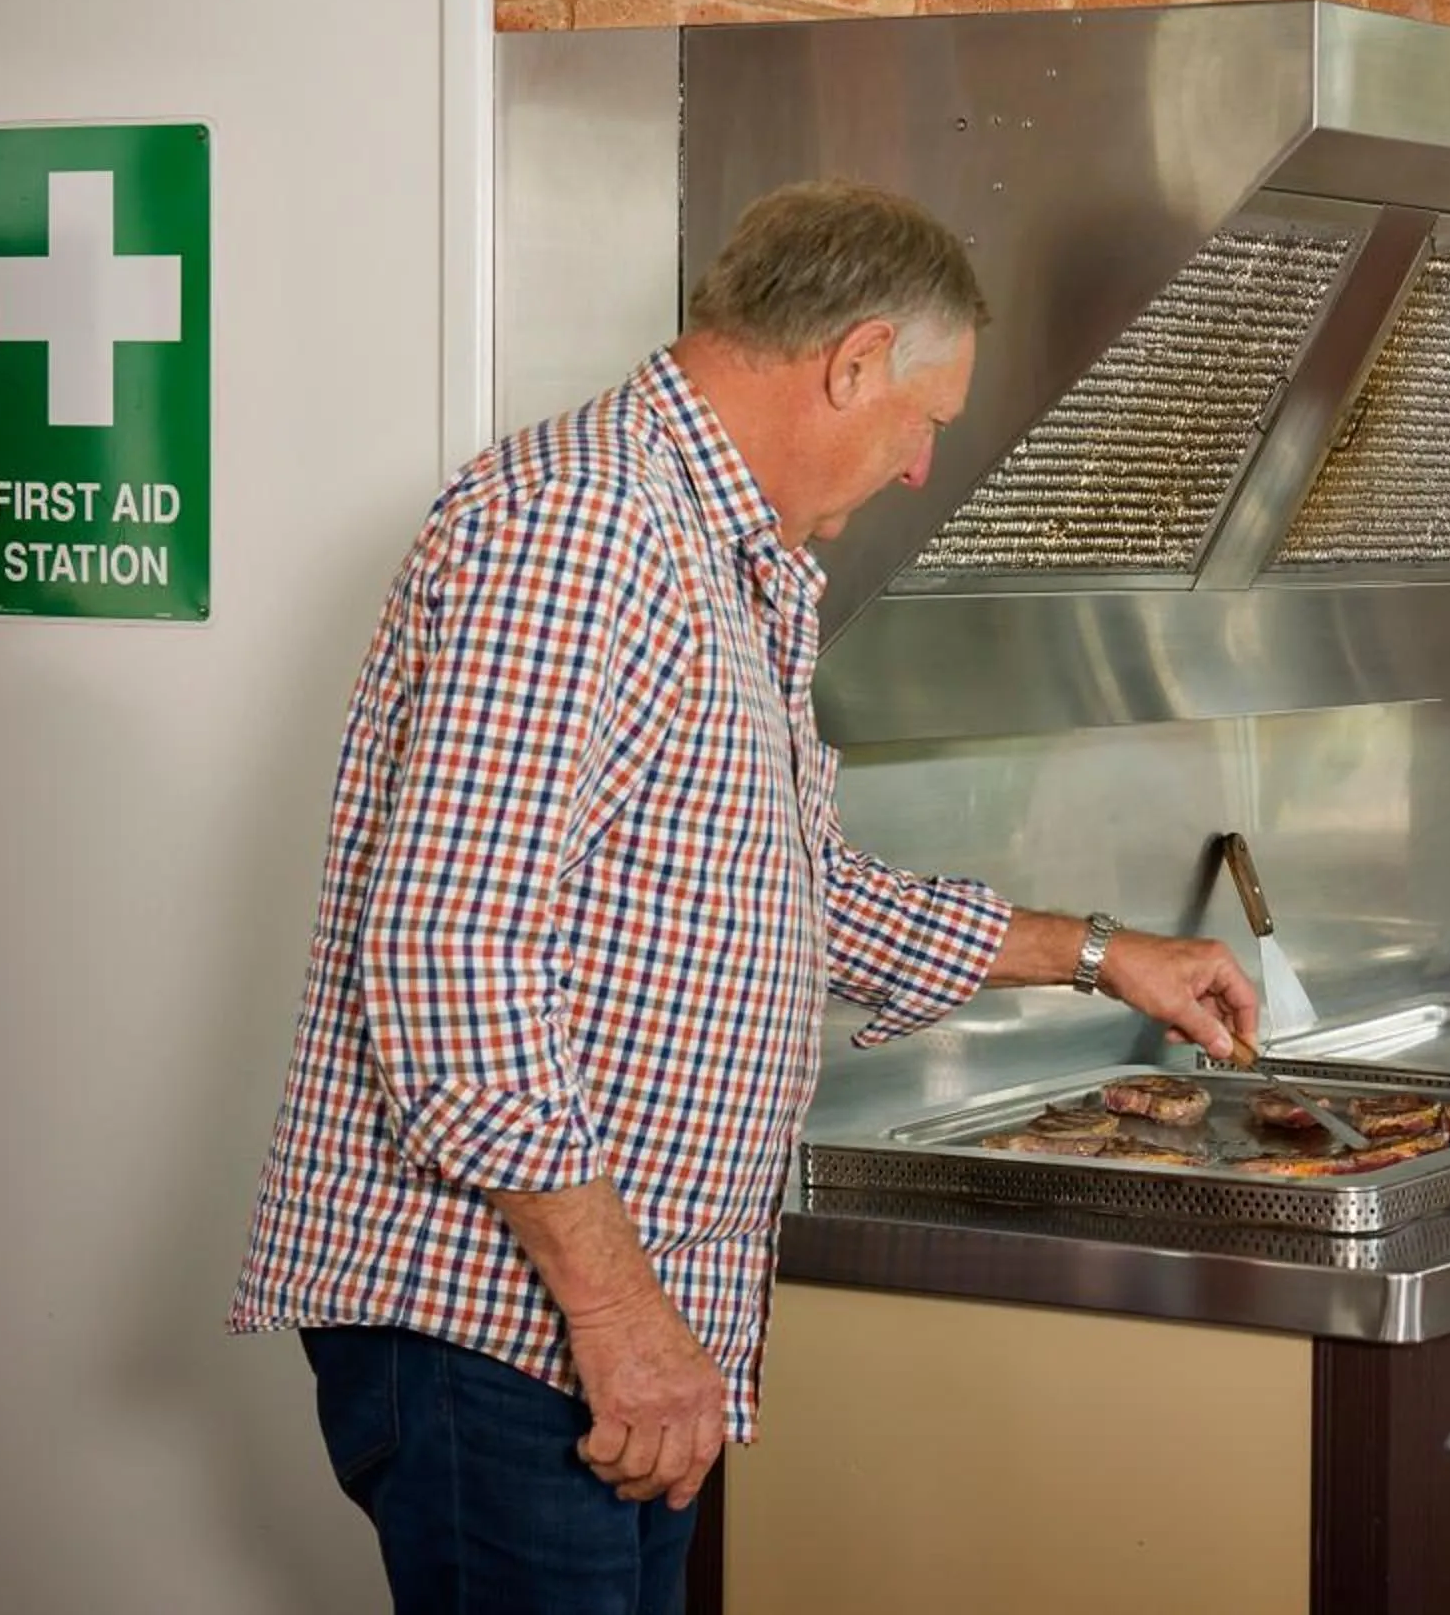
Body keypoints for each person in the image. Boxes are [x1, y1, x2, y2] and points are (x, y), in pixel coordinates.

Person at [228, 181, 1257, 1615]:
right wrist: (615, 1309)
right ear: (852, 361)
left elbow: (791, 887)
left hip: (600, 1324)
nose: (917, 465)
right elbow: (449, 955)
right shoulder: (583, 531)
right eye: (927, 418)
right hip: (506, 1321)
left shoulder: (722, 556)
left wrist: (1099, 955)